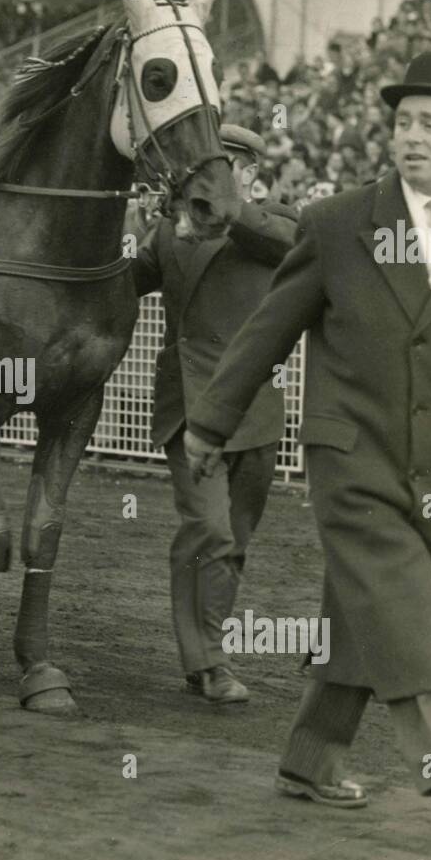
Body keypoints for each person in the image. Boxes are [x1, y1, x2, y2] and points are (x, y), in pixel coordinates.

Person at [184, 52, 431, 843]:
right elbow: (268, 330)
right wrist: (208, 423)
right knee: (401, 596)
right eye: (401, 121)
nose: (410, 137)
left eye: (430, 123)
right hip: (347, 452)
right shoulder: (337, 223)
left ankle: (311, 754)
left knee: (366, 606)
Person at [133, 124, 297, 703]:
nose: (212, 173)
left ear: (250, 174)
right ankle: (207, 661)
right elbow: (123, 279)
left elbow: (279, 242)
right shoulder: (167, 232)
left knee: (237, 540)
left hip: (254, 409)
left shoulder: (276, 223)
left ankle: (207, 649)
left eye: (226, 164)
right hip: (189, 406)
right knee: (209, 528)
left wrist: (225, 208)